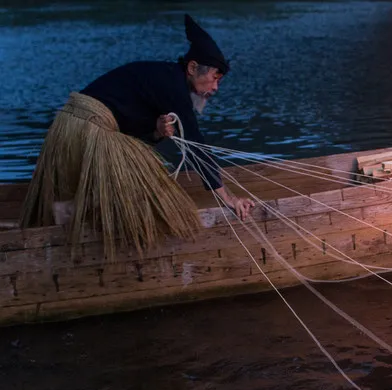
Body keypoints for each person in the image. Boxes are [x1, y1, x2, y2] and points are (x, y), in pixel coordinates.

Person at [18, 14, 254, 256]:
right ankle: (71, 243)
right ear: (193, 68)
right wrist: (228, 198)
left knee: (87, 199)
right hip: (85, 128)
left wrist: (156, 131)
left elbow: (128, 126)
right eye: (215, 78)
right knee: (149, 193)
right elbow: (194, 144)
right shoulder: (173, 84)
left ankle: (63, 230)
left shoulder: (164, 79)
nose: (215, 88)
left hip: (73, 126)